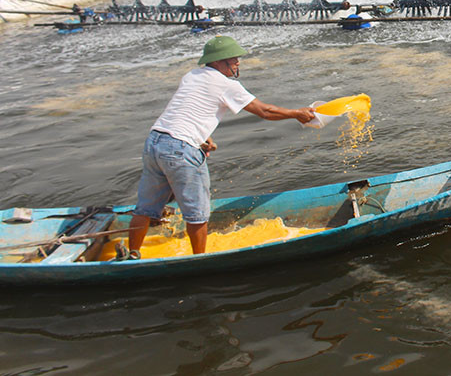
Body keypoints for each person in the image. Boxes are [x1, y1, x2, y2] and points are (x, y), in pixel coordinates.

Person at [125, 36, 315, 257]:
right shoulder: (227, 84)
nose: (238, 63)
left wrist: (204, 138)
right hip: (180, 149)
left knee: (145, 209)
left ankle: (133, 253)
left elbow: (191, 107)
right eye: (233, 59)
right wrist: (297, 114)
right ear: (218, 62)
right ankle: (199, 260)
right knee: (197, 214)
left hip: (156, 141)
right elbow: (265, 111)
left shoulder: (192, 75)